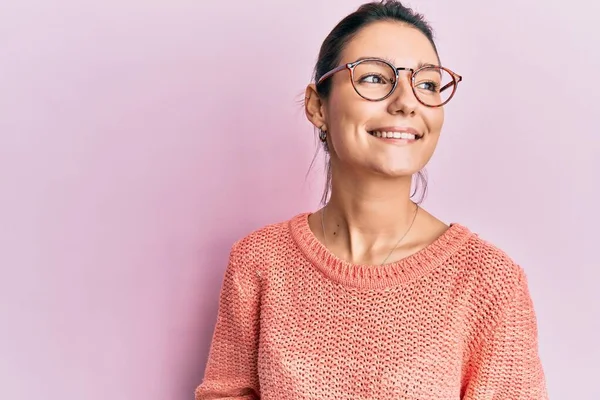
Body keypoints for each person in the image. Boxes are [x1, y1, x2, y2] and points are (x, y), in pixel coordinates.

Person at [195, 1, 549, 399]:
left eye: (428, 83)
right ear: (317, 106)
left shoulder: (488, 282)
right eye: (375, 78)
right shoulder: (259, 262)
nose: (406, 101)